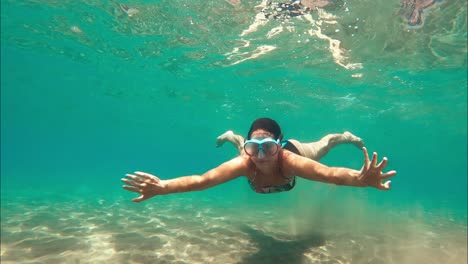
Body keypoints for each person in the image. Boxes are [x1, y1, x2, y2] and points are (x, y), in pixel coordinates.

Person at [122, 118, 396, 202]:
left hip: (297, 149)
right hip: (251, 149)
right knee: (239, 146)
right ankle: (234, 136)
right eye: (255, 147)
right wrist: (162, 186)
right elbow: (202, 181)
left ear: (278, 145)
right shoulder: (246, 160)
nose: (261, 156)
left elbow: (330, 174)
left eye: (268, 147)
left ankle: (342, 136)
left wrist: (360, 179)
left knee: (325, 145)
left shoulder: (290, 160)